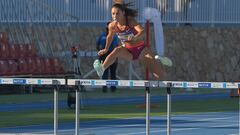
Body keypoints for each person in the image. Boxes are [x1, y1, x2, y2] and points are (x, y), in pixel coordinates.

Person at [93, 1, 172, 80]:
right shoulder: (112, 26)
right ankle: (102, 69)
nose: (115, 16)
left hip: (141, 50)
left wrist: (135, 37)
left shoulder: (130, 21)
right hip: (127, 51)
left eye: (117, 13)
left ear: (123, 13)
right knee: (116, 50)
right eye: (113, 14)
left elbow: (142, 31)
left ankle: (158, 59)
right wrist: (106, 49)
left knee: (159, 76)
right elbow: (109, 37)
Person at [96, 22, 119, 93]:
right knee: (104, 72)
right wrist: (101, 52)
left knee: (113, 72)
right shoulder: (102, 36)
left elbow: (117, 47)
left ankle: (113, 88)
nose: (109, 29)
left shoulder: (114, 37)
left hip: (112, 55)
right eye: (108, 28)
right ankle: (104, 87)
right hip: (104, 56)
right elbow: (97, 45)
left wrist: (115, 57)